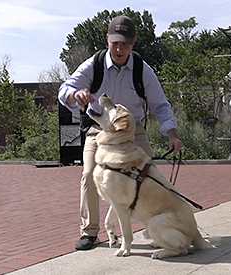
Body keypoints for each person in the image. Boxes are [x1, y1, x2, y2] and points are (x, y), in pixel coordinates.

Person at [58, 15, 183, 250]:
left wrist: (172, 135)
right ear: (107, 39)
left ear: (133, 42)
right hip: (100, 130)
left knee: (150, 176)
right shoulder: (93, 65)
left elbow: (161, 106)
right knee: (89, 173)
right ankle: (90, 232)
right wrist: (75, 95)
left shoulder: (142, 70)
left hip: (132, 131)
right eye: (115, 42)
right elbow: (65, 89)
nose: (119, 48)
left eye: (124, 43)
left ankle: (158, 226)